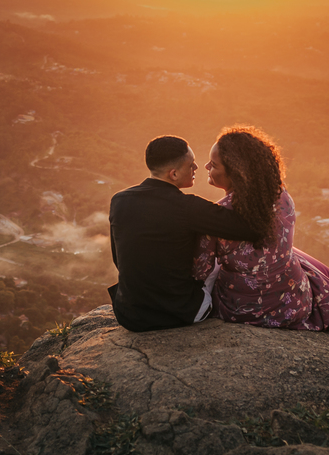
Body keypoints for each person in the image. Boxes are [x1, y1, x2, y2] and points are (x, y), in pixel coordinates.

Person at [193, 125, 329, 343]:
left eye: (214, 164)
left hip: (240, 311)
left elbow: (200, 271)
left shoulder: (216, 217)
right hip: (294, 304)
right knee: (306, 262)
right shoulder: (281, 196)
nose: (206, 166)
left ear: (235, 172)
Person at [109, 135, 262, 332]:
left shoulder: (119, 200)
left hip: (129, 315)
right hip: (180, 313)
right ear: (173, 174)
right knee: (216, 259)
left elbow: (118, 258)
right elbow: (250, 229)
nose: (197, 168)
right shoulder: (188, 208)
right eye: (191, 165)